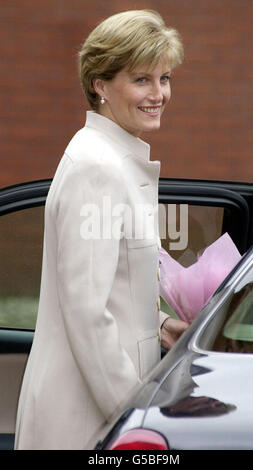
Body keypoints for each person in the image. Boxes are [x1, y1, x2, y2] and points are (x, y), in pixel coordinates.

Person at [14, 10, 188, 450]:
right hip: (89, 419)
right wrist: (135, 418)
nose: (159, 94)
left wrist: (160, 323)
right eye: (141, 80)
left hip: (94, 408)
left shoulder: (107, 158)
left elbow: (108, 288)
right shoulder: (98, 168)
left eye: (164, 78)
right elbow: (87, 314)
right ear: (100, 84)